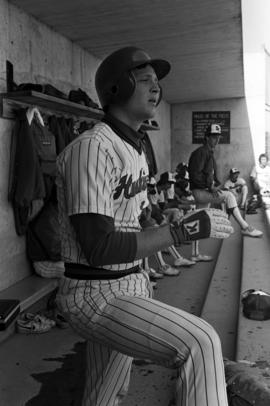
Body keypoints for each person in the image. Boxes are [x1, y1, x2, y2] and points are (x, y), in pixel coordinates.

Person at [55, 46, 234, 406]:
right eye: (145, 80)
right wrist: (178, 234)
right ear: (118, 88)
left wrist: (166, 220)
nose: (156, 88)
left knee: (106, 393)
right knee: (200, 341)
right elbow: (100, 248)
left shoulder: (134, 147)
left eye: (158, 82)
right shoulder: (92, 148)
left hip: (130, 281)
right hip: (97, 292)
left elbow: (133, 219)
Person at [188, 123, 262, 262]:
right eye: (213, 137)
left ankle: (195, 253)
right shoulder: (200, 152)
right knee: (229, 197)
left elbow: (213, 177)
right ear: (207, 137)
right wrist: (210, 187)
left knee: (198, 221)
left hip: (205, 190)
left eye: (218, 137)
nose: (216, 140)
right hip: (200, 191)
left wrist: (216, 185)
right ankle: (245, 227)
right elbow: (194, 176)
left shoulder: (209, 153)